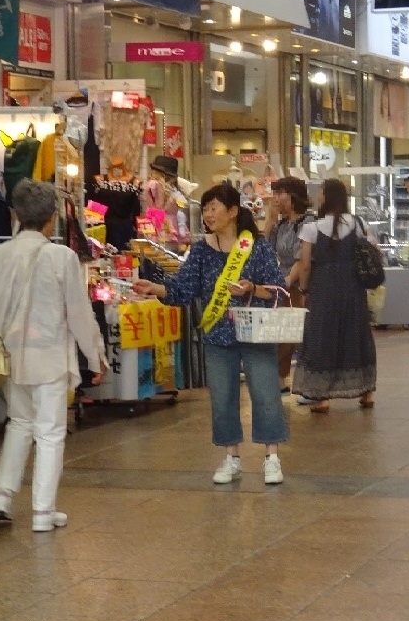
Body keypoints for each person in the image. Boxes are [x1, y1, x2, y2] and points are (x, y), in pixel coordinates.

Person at [0, 180, 108, 531]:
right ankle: (43, 512)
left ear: (14, 214)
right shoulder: (62, 257)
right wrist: (95, 356)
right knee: (50, 431)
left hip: (7, 358)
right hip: (49, 357)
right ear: (51, 219)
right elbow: (78, 314)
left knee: (20, 422)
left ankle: (3, 496)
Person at [132, 184, 288, 484]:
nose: (208, 214)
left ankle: (272, 458)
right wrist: (156, 289)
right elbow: (184, 289)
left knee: (266, 394)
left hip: (256, 332)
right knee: (223, 397)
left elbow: (278, 290)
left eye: (214, 207)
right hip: (217, 334)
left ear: (232, 211)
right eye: (205, 209)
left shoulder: (257, 247)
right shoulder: (201, 250)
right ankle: (231, 457)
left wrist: (252, 288)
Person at [293, 178, 378, 413]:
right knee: (356, 333)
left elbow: (306, 263)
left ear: (326, 196)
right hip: (353, 286)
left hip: (324, 287)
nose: (318, 195)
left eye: (320, 192)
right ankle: (366, 392)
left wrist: (303, 289)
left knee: (322, 336)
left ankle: (323, 397)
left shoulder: (311, 227)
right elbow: (374, 250)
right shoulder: (358, 222)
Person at [265, 176, 311, 393]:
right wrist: (269, 221)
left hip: (296, 285)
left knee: (292, 332)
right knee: (282, 332)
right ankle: (280, 378)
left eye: (279, 193)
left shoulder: (307, 223)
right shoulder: (283, 225)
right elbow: (264, 249)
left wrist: (287, 283)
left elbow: (302, 259)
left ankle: (297, 380)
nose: (276, 199)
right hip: (280, 283)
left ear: (292, 196)